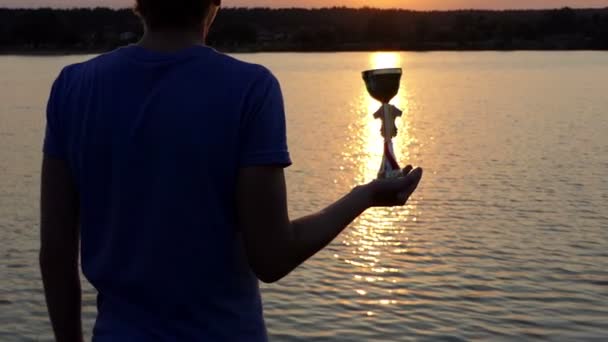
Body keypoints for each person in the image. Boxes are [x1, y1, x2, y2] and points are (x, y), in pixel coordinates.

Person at [39, 0, 423, 341]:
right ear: (215, 2)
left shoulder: (73, 88)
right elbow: (272, 257)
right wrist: (364, 197)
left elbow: (56, 253)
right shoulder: (249, 88)